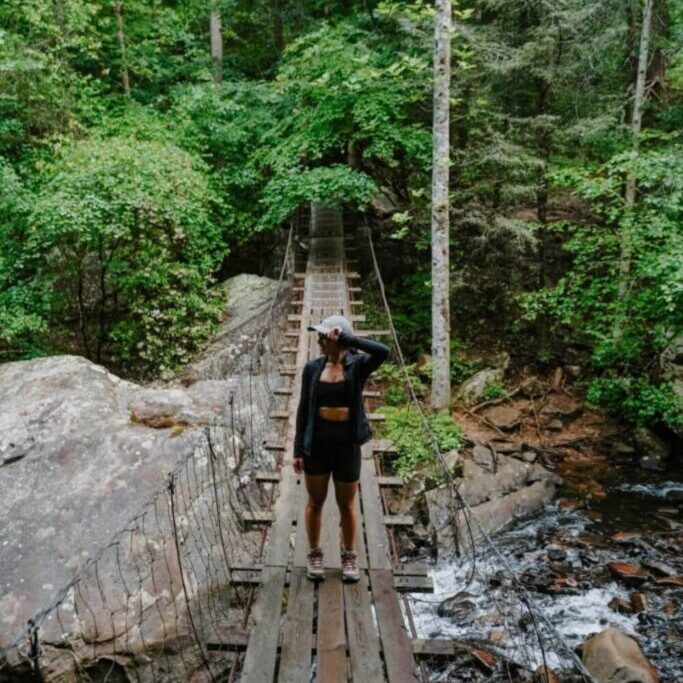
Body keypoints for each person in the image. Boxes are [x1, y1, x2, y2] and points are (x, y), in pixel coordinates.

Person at [293, 314, 389, 582]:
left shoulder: (358, 366)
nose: (321, 339)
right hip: (318, 446)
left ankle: (349, 556)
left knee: (347, 504)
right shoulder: (312, 368)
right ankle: (315, 553)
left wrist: (347, 339)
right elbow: (303, 410)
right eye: (321, 335)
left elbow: (383, 352)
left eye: (325, 335)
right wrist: (297, 450)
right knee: (315, 502)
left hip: (347, 446)